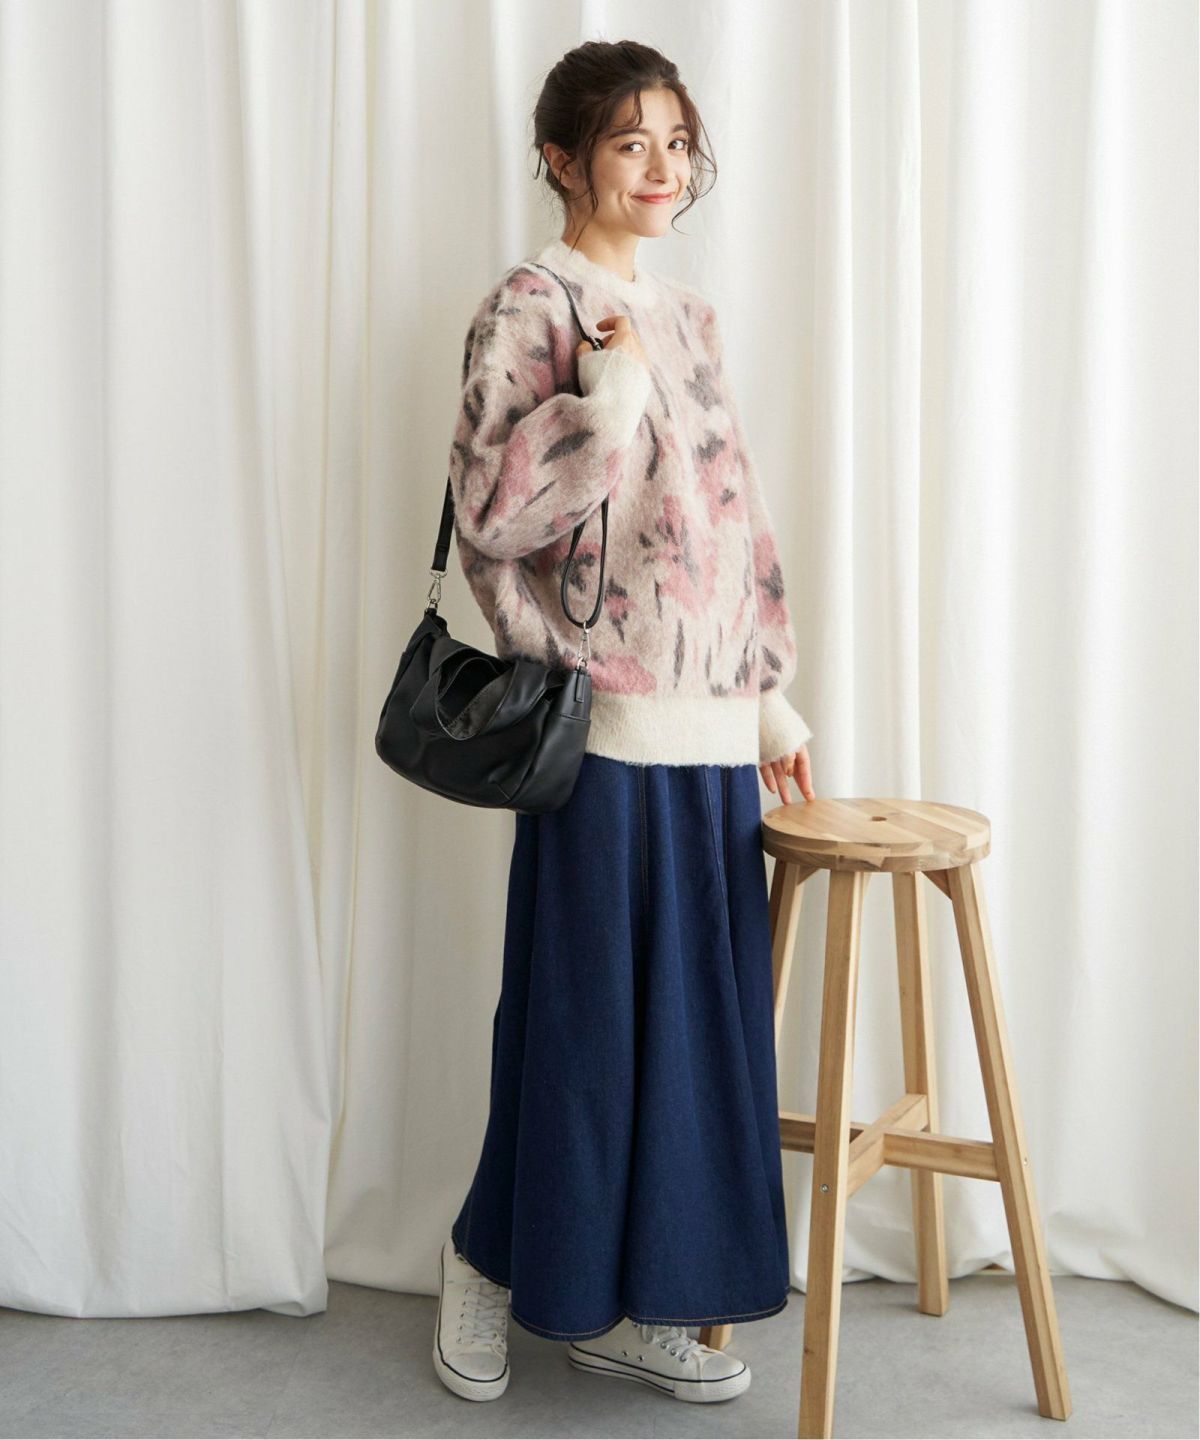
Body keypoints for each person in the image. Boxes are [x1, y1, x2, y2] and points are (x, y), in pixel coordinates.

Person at [431, 39, 817, 1407]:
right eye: (629, 142)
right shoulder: (530, 306)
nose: (661, 168)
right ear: (563, 158)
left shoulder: (691, 317)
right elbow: (491, 516)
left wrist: (768, 696)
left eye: (675, 142)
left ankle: (630, 1305)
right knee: (583, 1042)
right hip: (596, 730)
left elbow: (730, 515)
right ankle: (486, 1267)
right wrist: (608, 405)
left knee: (692, 1058)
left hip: (710, 738)